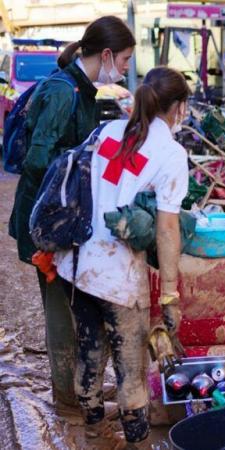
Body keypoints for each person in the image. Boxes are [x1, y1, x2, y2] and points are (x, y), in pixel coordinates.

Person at [53, 66, 191, 447]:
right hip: (117, 276)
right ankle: (137, 442)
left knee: (89, 349)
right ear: (178, 107)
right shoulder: (171, 153)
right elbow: (167, 229)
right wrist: (169, 295)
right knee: (131, 368)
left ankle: (95, 432)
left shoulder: (107, 131)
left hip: (76, 264)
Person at [8, 15, 135, 413]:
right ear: (108, 54)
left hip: (59, 220)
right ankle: (67, 400)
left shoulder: (80, 91)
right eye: (127, 59)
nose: (127, 69)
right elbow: (37, 159)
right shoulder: (63, 92)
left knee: (71, 302)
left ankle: (78, 390)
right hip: (48, 224)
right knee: (62, 311)